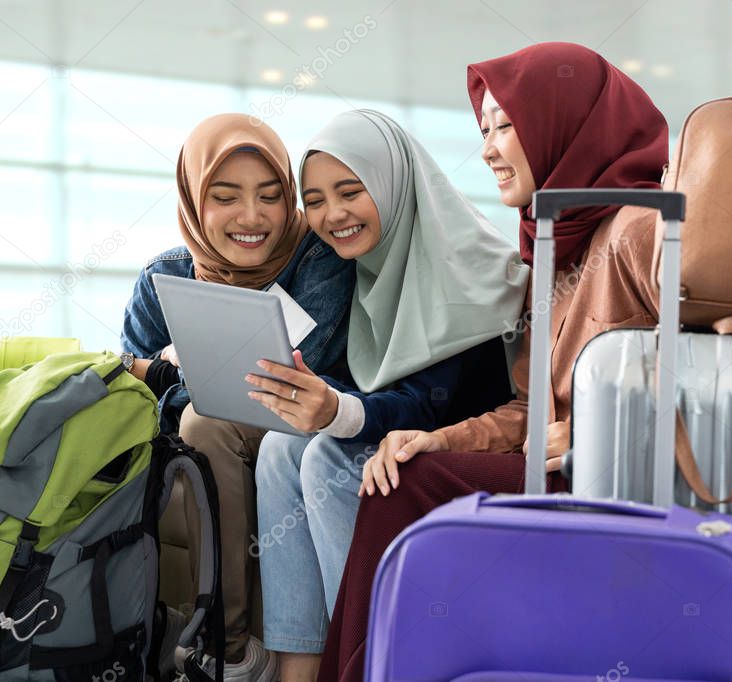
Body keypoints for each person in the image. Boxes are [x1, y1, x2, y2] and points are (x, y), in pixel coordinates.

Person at [315, 42, 670, 682]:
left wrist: (603, 433)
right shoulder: (553, 247)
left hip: (620, 480)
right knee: (406, 468)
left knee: (407, 490)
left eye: (507, 124)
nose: (488, 147)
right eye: (485, 129)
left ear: (567, 122)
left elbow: (715, 372)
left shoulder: (641, 229)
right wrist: (438, 438)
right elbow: (532, 408)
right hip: (566, 472)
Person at [251, 109, 530, 682]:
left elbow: (430, 403)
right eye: (317, 200)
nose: (333, 215)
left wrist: (337, 411)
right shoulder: (364, 269)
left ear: (393, 184)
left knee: (329, 453)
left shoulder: (467, 268)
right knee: (282, 448)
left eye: (351, 191)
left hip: (469, 451)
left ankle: (361, 660)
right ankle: (300, 668)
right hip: (404, 442)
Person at [120, 113, 355, 681]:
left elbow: (291, 382)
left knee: (206, 422)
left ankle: (230, 649)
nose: (252, 218)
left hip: (318, 426)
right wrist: (168, 381)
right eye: (226, 197)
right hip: (225, 432)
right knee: (194, 422)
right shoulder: (165, 277)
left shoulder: (317, 259)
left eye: (271, 196)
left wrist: (173, 370)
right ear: (194, 201)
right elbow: (129, 390)